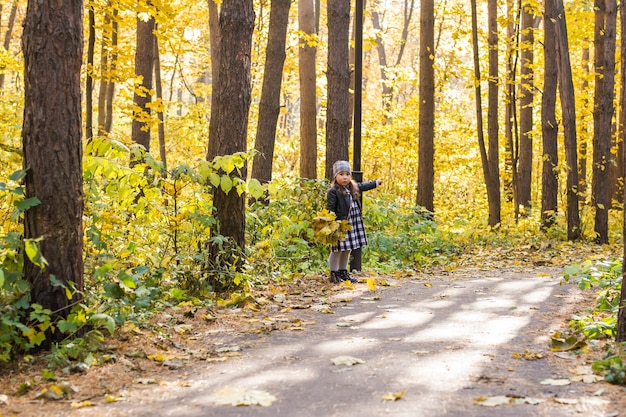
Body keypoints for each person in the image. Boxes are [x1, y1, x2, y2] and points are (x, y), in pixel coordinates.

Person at [326, 160, 382, 284]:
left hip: (352, 223)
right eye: (341, 174)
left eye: (347, 174)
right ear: (336, 176)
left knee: (347, 248)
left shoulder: (352, 187)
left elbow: (363, 186)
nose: (345, 177)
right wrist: (332, 222)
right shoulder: (334, 191)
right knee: (337, 249)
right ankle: (333, 273)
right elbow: (330, 208)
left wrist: (376, 183)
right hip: (340, 224)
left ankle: (342, 271)